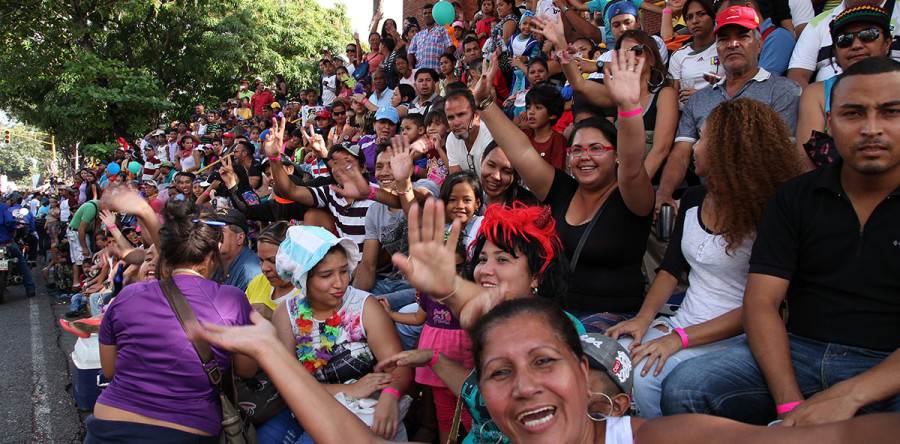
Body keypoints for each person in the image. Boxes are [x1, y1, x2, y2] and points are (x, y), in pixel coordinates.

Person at [660, 56, 900, 425]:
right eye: (853, 114)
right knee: (688, 386)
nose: (871, 128)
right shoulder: (795, 197)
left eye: (890, 112)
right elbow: (761, 304)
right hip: (798, 349)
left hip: (887, 362)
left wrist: (852, 394)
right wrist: (790, 405)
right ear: (829, 122)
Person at [605, 98, 806, 418]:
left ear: (730, 150)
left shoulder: (769, 213)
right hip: (683, 323)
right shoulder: (694, 198)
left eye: (703, 138)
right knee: (611, 358)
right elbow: (671, 270)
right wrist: (644, 319)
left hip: (736, 336)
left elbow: (763, 308)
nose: (693, 147)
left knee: (650, 376)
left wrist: (679, 340)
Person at [474, 49, 655, 328]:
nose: (584, 157)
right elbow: (522, 152)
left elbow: (632, 165)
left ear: (616, 155)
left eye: (597, 149)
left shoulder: (631, 196)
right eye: (577, 150)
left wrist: (629, 107)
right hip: (557, 314)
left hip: (613, 321)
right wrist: (485, 103)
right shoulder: (563, 190)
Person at [87, 199, 257, 443]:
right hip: (188, 430)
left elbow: (110, 370)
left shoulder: (127, 295)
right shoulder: (232, 299)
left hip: (110, 423)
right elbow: (246, 369)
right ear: (214, 251)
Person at [654, 6, 804, 218]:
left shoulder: (784, 91)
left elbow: (781, 158)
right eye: (724, 39)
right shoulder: (700, 99)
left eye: (743, 36)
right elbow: (681, 153)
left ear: (760, 43)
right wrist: (664, 193)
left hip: (763, 206)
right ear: (717, 48)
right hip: (709, 205)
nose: (733, 44)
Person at [268, 225, 412, 441]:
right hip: (307, 411)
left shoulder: (364, 307)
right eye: (326, 275)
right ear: (303, 279)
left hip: (366, 414)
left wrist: (390, 397)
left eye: (344, 271)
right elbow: (290, 385)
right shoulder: (286, 315)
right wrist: (352, 390)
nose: (340, 283)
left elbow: (398, 367)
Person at [795, 4, 892, 166]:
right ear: (835, 52)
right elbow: (804, 165)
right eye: (844, 39)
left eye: (868, 35)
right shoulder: (817, 94)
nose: (856, 45)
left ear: (887, 43)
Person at [667, 0, 720, 108]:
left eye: (701, 14)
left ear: (713, 16)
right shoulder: (678, 56)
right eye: (689, 17)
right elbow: (671, 100)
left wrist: (700, 96)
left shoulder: (725, 48)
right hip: (688, 118)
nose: (695, 21)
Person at [244, 221, 299, 321]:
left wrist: (274, 317)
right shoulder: (257, 282)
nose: (264, 268)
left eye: (273, 261)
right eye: (261, 260)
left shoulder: (308, 293)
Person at [444, 88, 495, 175]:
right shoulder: (451, 139)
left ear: (476, 115)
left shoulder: (490, 136)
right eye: (450, 117)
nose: (456, 123)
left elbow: (493, 179)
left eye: (461, 115)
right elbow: (456, 179)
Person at [213, 207, 262, 292]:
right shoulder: (215, 261)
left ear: (240, 238)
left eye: (220, 231)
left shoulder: (252, 274)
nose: (213, 236)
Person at [480, 142, 539, 208]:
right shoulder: (470, 194)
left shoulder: (528, 208)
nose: (496, 176)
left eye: (506, 171)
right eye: (491, 165)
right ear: (482, 161)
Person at [0, 200, 35, 298]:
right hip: (6, 243)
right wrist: (12, 231)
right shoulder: (3, 207)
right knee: (21, 262)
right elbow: (10, 221)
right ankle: (30, 288)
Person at [408, 3, 453, 70]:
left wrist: (445, 66)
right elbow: (410, 53)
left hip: (437, 72)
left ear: (435, 14)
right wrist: (411, 68)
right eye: (425, 13)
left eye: (430, 13)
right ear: (422, 16)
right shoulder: (418, 35)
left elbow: (450, 47)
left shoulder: (443, 30)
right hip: (420, 74)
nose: (427, 15)